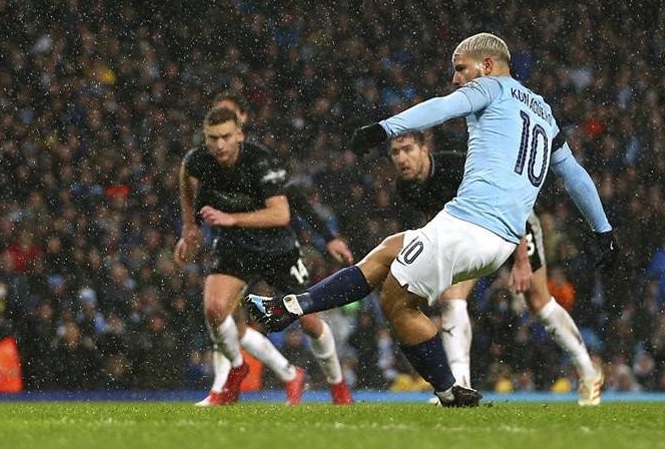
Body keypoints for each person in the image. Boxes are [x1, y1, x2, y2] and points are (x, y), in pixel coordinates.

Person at [250, 33, 621, 407]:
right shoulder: (543, 111)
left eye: (461, 69)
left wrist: (384, 128)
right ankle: (291, 306)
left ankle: (453, 389)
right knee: (389, 252)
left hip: (483, 225)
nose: (457, 78)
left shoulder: (491, 88)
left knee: (396, 301)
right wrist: (603, 230)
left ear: (487, 66)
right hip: (491, 232)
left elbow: (443, 107)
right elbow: (573, 175)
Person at [388, 131, 604, 405]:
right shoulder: (406, 187)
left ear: (424, 149)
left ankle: (588, 371)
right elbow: (435, 218)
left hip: (515, 222)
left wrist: (522, 261)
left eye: (408, 149)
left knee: (538, 302)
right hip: (473, 235)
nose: (402, 158)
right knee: (451, 299)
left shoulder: (456, 167)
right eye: (395, 153)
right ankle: (458, 387)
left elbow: (510, 200)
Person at [176, 104, 355, 406]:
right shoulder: (197, 160)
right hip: (235, 247)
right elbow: (185, 177)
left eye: (225, 137)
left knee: (310, 322)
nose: (219, 144)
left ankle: (338, 388)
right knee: (215, 308)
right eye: (212, 138)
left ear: (239, 134)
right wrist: (189, 227)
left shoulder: (260, 160)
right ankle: (236, 369)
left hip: (277, 249)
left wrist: (328, 238)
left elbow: (282, 213)